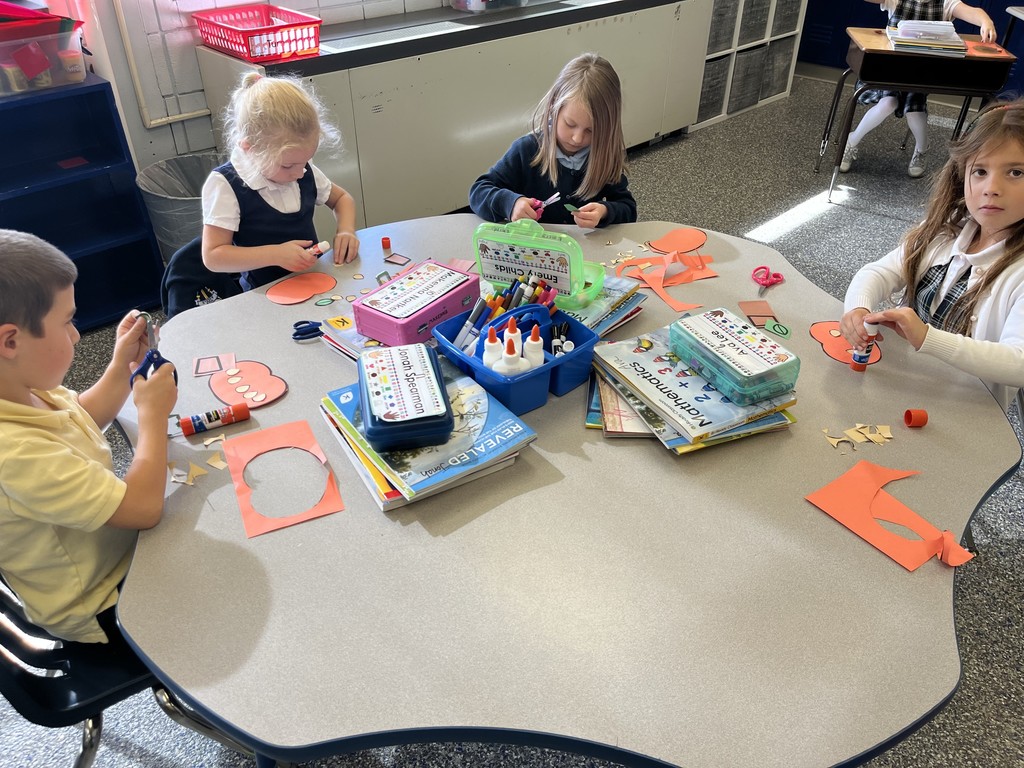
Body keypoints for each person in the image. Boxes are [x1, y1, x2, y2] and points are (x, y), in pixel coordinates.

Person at [0, 230, 178, 643]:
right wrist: (152, 417)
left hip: (120, 554)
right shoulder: (14, 454)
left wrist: (119, 368)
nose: (78, 336)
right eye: (67, 323)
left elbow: (78, 416)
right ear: (10, 340)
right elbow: (144, 508)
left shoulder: (23, 387)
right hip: (106, 601)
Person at [841, 100, 1024, 412]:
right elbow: (878, 273)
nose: (991, 187)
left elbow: (1018, 362)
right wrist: (858, 310)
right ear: (961, 174)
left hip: (961, 413)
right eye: (979, 171)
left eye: (1015, 172)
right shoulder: (945, 229)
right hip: (899, 389)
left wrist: (928, 338)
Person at [202, 73, 360, 291]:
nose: (300, 172)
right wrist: (275, 255)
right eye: (287, 166)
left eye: (305, 161)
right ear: (251, 149)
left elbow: (342, 199)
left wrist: (346, 230)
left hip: (313, 281)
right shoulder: (227, 185)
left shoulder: (301, 168)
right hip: (265, 295)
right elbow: (213, 256)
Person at [468, 52, 637, 229]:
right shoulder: (527, 149)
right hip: (533, 250)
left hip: (582, 252)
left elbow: (628, 209)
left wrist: (605, 211)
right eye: (570, 124)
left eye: (591, 131)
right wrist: (511, 203)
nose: (577, 138)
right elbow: (479, 191)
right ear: (554, 107)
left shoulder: (603, 157)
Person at [840, 0, 996, 179]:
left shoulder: (946, 3)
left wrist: (986, 22)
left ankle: (922, 149)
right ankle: (852, 140)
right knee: (888, 103)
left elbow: (973, 12)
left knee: (914, 111)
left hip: (921, 72)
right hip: (890, 68)